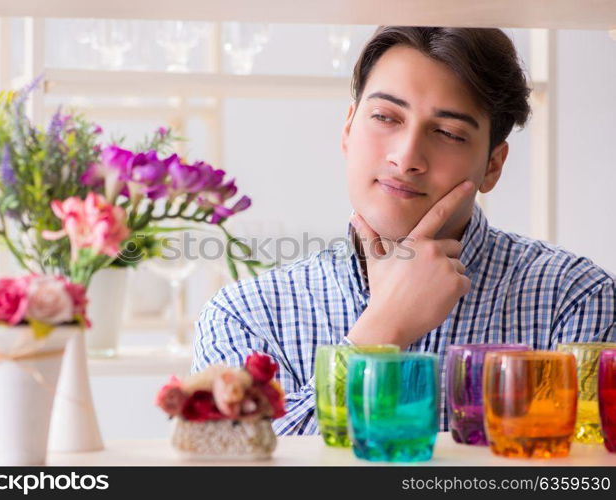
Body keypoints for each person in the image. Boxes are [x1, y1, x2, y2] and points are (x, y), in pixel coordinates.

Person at [191, 26, 616, 434]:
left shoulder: (574, 298)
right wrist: (382, 329)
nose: (407, 156)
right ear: (348, 128)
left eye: (448, 132)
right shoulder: (246, 317)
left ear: (493, 165)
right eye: (385, 117)